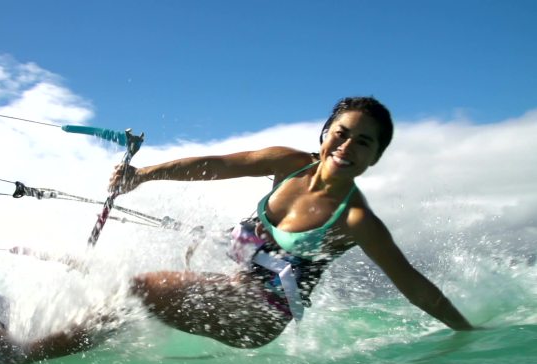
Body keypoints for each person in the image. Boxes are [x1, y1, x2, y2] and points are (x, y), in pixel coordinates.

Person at [104, 96, 473, 349]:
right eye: (341, 134)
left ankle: (50, 355)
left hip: (259, 317)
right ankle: (59, 348)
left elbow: (412, 285)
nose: (346, 147)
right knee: (108, 292)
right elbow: (218, 164)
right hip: (232, 289)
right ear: (326, 133)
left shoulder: (355, 218)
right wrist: (143, 175)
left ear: (375, 156)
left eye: (363, 142)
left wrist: (470, 334)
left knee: (139, 286)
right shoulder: (289, 163)